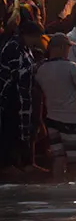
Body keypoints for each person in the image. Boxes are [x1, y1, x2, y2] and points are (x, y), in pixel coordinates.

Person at [35, 32, 76, 180]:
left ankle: (58, 194)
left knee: (58, 159)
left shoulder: (40, 69)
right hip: (74, 121)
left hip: (52, 121)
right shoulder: (71, 67)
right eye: (68, 48)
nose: (69, 51)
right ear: (60, 47)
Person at [0, 20, 43, 170]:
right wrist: (34, 68)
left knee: (28, 130)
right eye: (35, 37)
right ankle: (11, 165)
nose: (36, 41)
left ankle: (28, 163)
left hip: (26, 98)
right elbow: (13, 74)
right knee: (13, 131)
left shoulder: (26, 48)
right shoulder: (12, 47)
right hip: (13, 98)